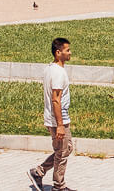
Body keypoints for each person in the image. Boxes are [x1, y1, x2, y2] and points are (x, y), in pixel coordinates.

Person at [28, 38, 73, 191]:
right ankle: (59, 186)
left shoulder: (50, 68)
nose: (70, 53)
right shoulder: (58, 73)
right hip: (57, 120)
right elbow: (55, 99)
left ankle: (38, 172)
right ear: (58, 52)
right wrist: (60, 125)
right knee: (62, 152)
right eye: (67, 50)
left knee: (65, 149)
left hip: (56, 118)